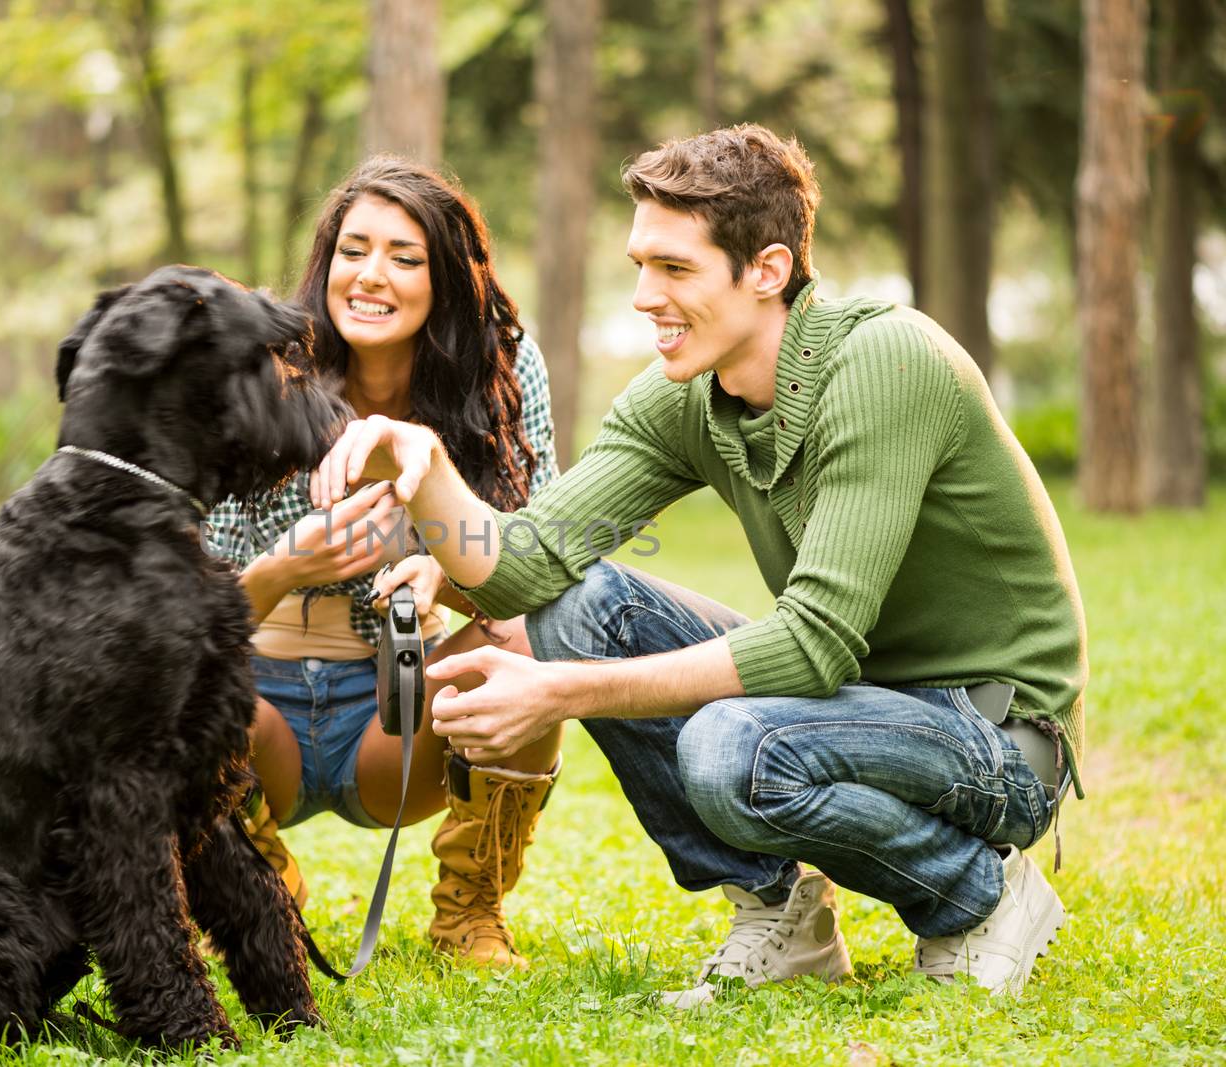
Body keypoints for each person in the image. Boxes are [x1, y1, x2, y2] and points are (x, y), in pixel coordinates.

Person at [310, 125, 1086, 1002]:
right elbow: (527, 565)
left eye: (675, 270)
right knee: (582, 606)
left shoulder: (886, 362)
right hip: (862, 704)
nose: (644, 296)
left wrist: (558, 690)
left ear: (768, 269)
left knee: (728, 747)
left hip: (996, 733)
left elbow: (812, 649)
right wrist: (424, 469)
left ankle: (983, 897)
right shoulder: (683, 393)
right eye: (641, 264)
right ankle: (779, 910)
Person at [205, 156, 563, 969]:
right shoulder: (262, 371)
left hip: (397, 718)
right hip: (261, 718)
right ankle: (258, 896)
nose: (372, 276)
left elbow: (541, 544)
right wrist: (286, 567)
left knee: (529, 641)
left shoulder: (501, 365)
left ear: (447, 279)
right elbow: (194, 607)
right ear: (325, 260)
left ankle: (469, 913)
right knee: (166, 683)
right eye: (353, 249)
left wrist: (457, 566)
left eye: (405, 257)